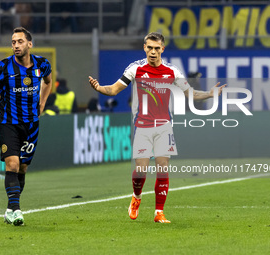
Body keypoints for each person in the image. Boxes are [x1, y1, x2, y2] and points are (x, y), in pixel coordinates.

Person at [88, 32, 226, 223]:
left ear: (162, 49)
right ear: (144, 47)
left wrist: (210, 94)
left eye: (156, 48)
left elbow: (190, 94)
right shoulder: (135, 69)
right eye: (149, 47)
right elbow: (114, 89)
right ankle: (136, 197)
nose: (153, 52)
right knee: (140, 171)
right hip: (143, 126)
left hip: (164, 126)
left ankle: (159, 212)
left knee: (163, 169)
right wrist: (99, 88)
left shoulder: (172, 71)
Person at [0, 27, 52, 226]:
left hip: (32, 125)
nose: (16, 45)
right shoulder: (2, 68)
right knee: (13, 164)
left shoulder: (42, 64)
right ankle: (16, 210)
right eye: (13, 42)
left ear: (29, 44)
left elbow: (48, 82)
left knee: (23, 168)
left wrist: (42, 102)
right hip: (9, 123)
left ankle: (10, 209)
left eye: (20, 41)